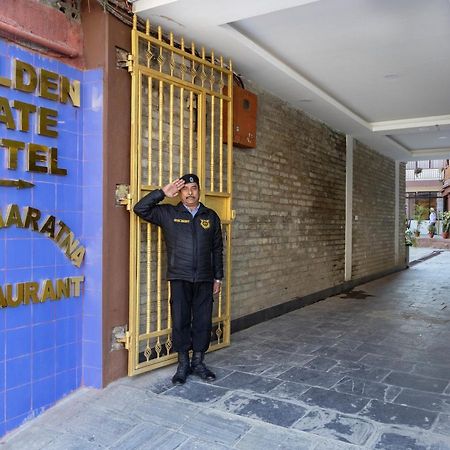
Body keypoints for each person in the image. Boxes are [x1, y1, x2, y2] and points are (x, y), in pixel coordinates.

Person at [133, 174, 223, 385]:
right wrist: (162, 193)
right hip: (179, 276)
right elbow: (140, 209)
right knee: (181, 319)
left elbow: (217, 249)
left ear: (199, 191)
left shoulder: (210, 216)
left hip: (204, 277)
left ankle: (199, 362)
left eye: (193, 188)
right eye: (185, 189)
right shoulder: (169, 213)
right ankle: (183, 364)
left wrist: (218, 277)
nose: (190, 192)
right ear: (179, 193)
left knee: (202, 320)